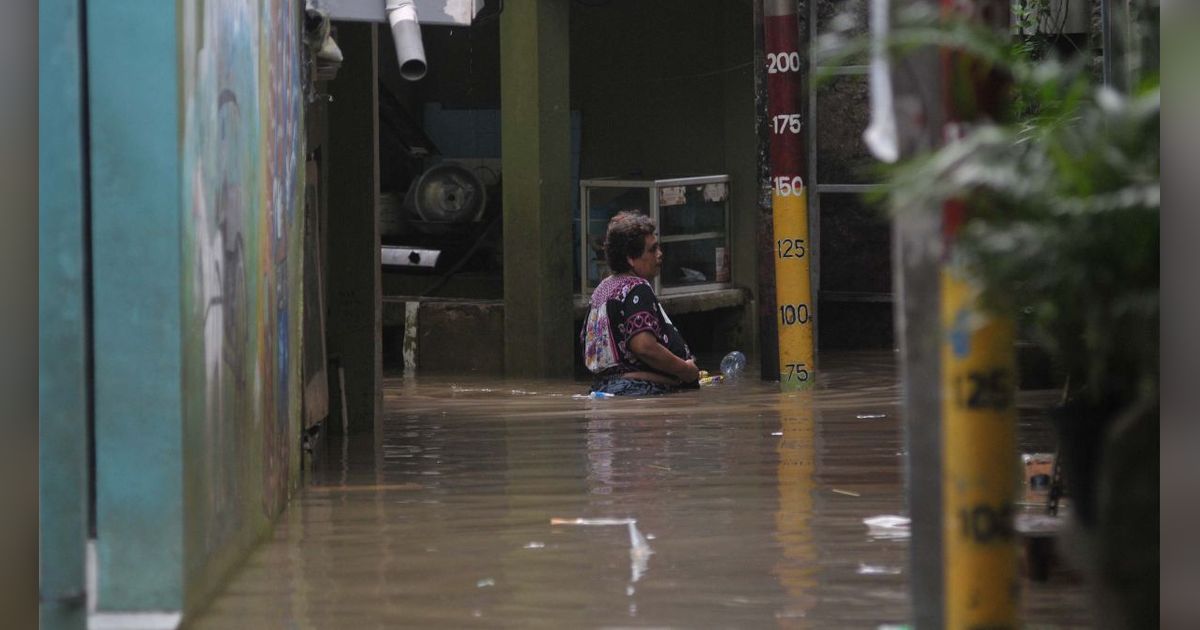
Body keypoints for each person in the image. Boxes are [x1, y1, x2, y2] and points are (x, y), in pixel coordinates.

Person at [581, 211, 701, 395]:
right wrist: (685, 370)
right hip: (639, 390)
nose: (660, 255)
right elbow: (644, 347)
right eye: (652, 249)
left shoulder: (601, 290)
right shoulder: (637, 287)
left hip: (603, 388)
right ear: (631, 257)